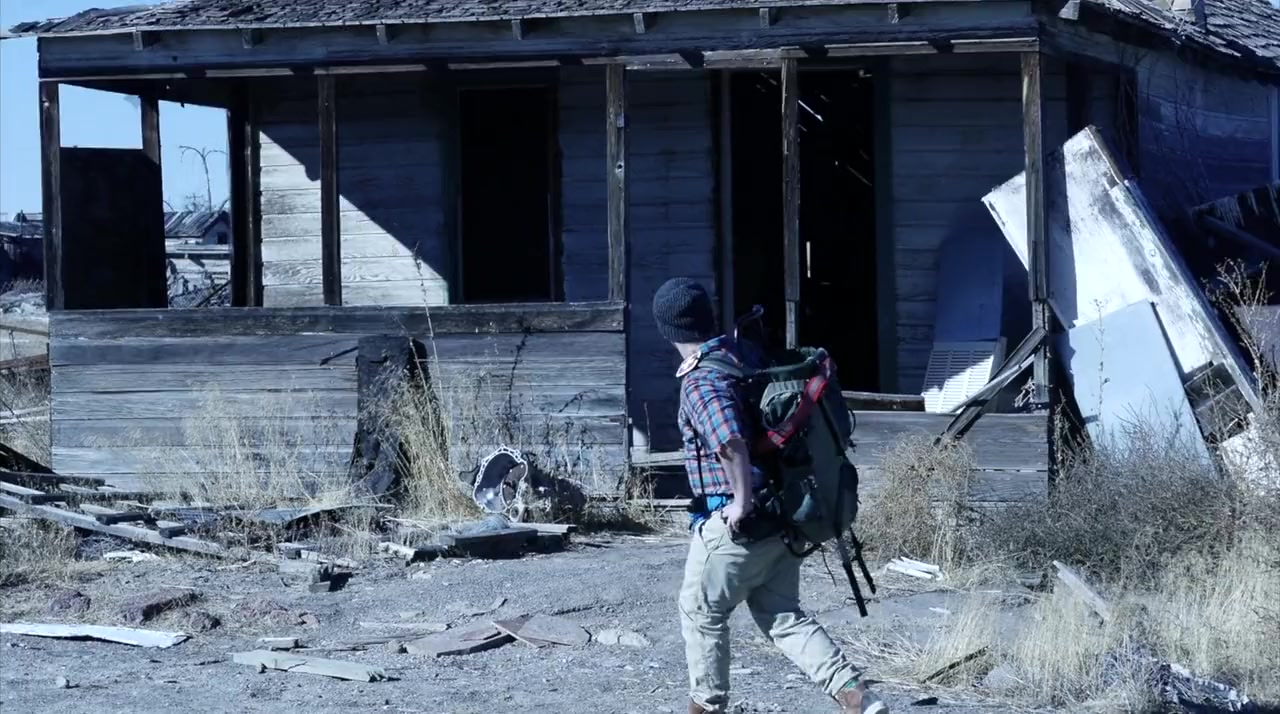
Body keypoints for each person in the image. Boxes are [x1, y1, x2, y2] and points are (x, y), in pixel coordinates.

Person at [651, 277, 889, 714]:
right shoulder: (742, 354)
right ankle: (856, 695)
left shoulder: (701, 380)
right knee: (781, 614)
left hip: (742, 523)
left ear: (666, 329)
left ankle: (706, 705)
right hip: (782, 515)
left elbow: (729, 442)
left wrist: (740, 502)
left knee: (700, 611)